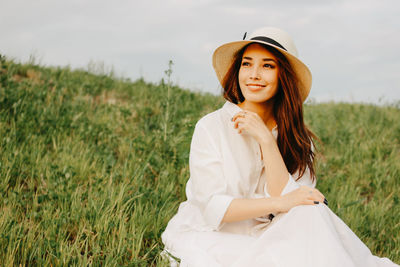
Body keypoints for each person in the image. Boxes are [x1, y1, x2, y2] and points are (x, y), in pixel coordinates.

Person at [160, 27, 399, 267]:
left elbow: (297, 204)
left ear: (283, 76)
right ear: (237, 70)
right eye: (247, 64)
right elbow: (214, 208)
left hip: (272, 234)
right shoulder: (211, 127)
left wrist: (266, 141)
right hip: (212, 236)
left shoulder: (299, 139)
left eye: (267, 66)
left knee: (310, 212)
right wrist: (280, 204)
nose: (254, 74)